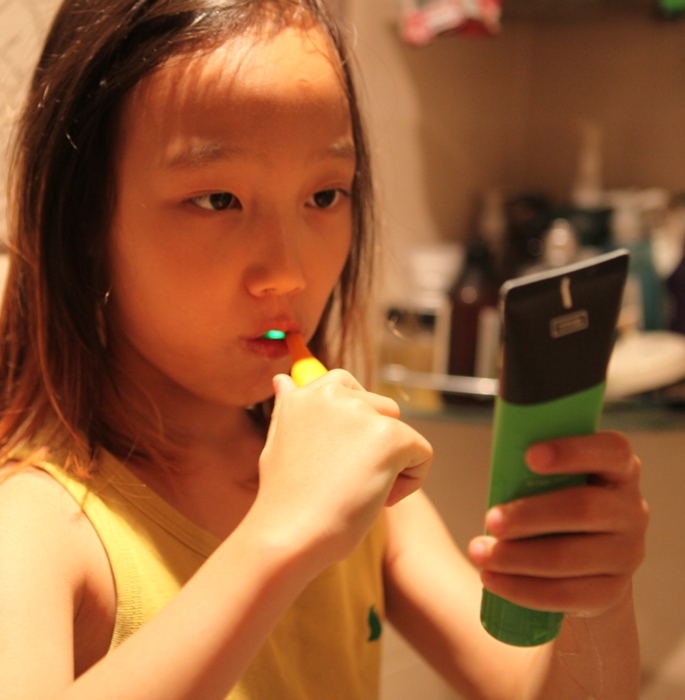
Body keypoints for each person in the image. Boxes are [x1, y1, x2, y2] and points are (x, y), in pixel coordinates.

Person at [0, 1, 648, 698]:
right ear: (81, 223)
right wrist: (281, 536)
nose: (289, 273)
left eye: (325, 196)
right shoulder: (34, 524)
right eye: (217, 200)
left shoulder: (360, 493)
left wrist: (591, 598)